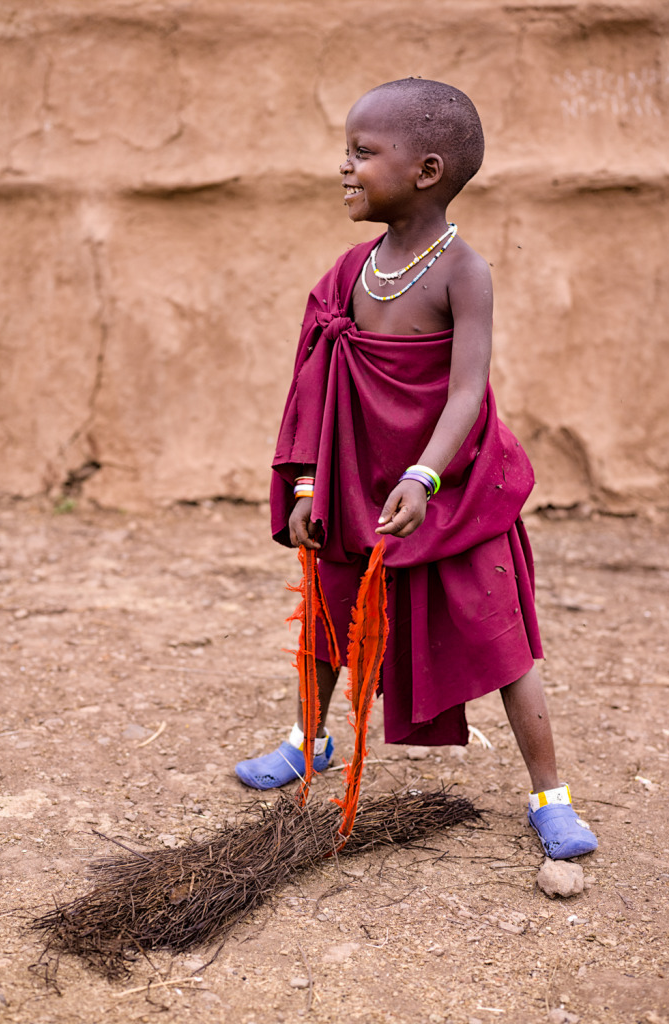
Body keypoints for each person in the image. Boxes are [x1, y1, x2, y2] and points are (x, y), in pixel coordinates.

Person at [235, 79, 597, 861]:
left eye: (362, 153)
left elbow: (468, 392)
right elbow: (313, 387)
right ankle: (307, 741)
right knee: (330, 620)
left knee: (500, 639)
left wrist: (424, 478)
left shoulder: (463, 273)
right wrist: (305, 483)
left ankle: (549, 795)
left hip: (451, 492)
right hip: (355, 486)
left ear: (426, 171)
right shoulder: (348, 274)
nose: (344, 168)